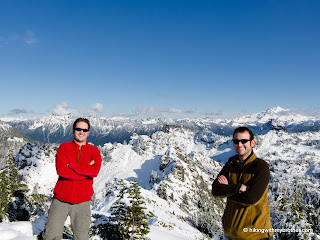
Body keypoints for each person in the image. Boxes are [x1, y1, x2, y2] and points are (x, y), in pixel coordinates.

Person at [43, 117, 102, 240]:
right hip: (61, 200)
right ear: (73, 130)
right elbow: (62, 171)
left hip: (82, 202)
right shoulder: (64, 148)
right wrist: (86, 171)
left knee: (81, 237)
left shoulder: (94, 150)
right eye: (78, 129)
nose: (81, 132)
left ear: (88, 132)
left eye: (84, 130)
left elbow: (95, 171)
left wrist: (73, 166)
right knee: (51, 235)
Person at [212, 126, 273, 240]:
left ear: (252, 143)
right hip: (230, 235)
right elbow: (215, 190)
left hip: (255, 236)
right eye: (236, 141)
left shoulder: (260, 167)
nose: (239, 144)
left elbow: (252, 198)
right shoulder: (231, 164)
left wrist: (227, 189)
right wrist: (239, 188)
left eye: (244, 141)